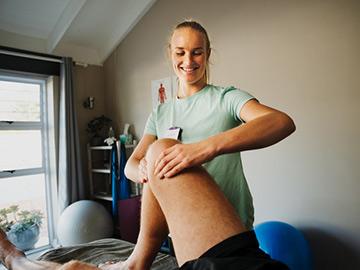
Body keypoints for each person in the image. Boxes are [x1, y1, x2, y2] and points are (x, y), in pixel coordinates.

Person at [0, 139, 288, 270]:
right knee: (161, 151)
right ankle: (138, 261)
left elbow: (281, 122)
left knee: (74, 269)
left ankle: (15, 259)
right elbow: (132, 166)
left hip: (225, 227)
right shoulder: (162, 112)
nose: (188, 60)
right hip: (242, 259)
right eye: (180, 52)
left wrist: (206, 148)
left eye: (197, 51)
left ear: (208, 54)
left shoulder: (225, 97)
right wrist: (144, 171)